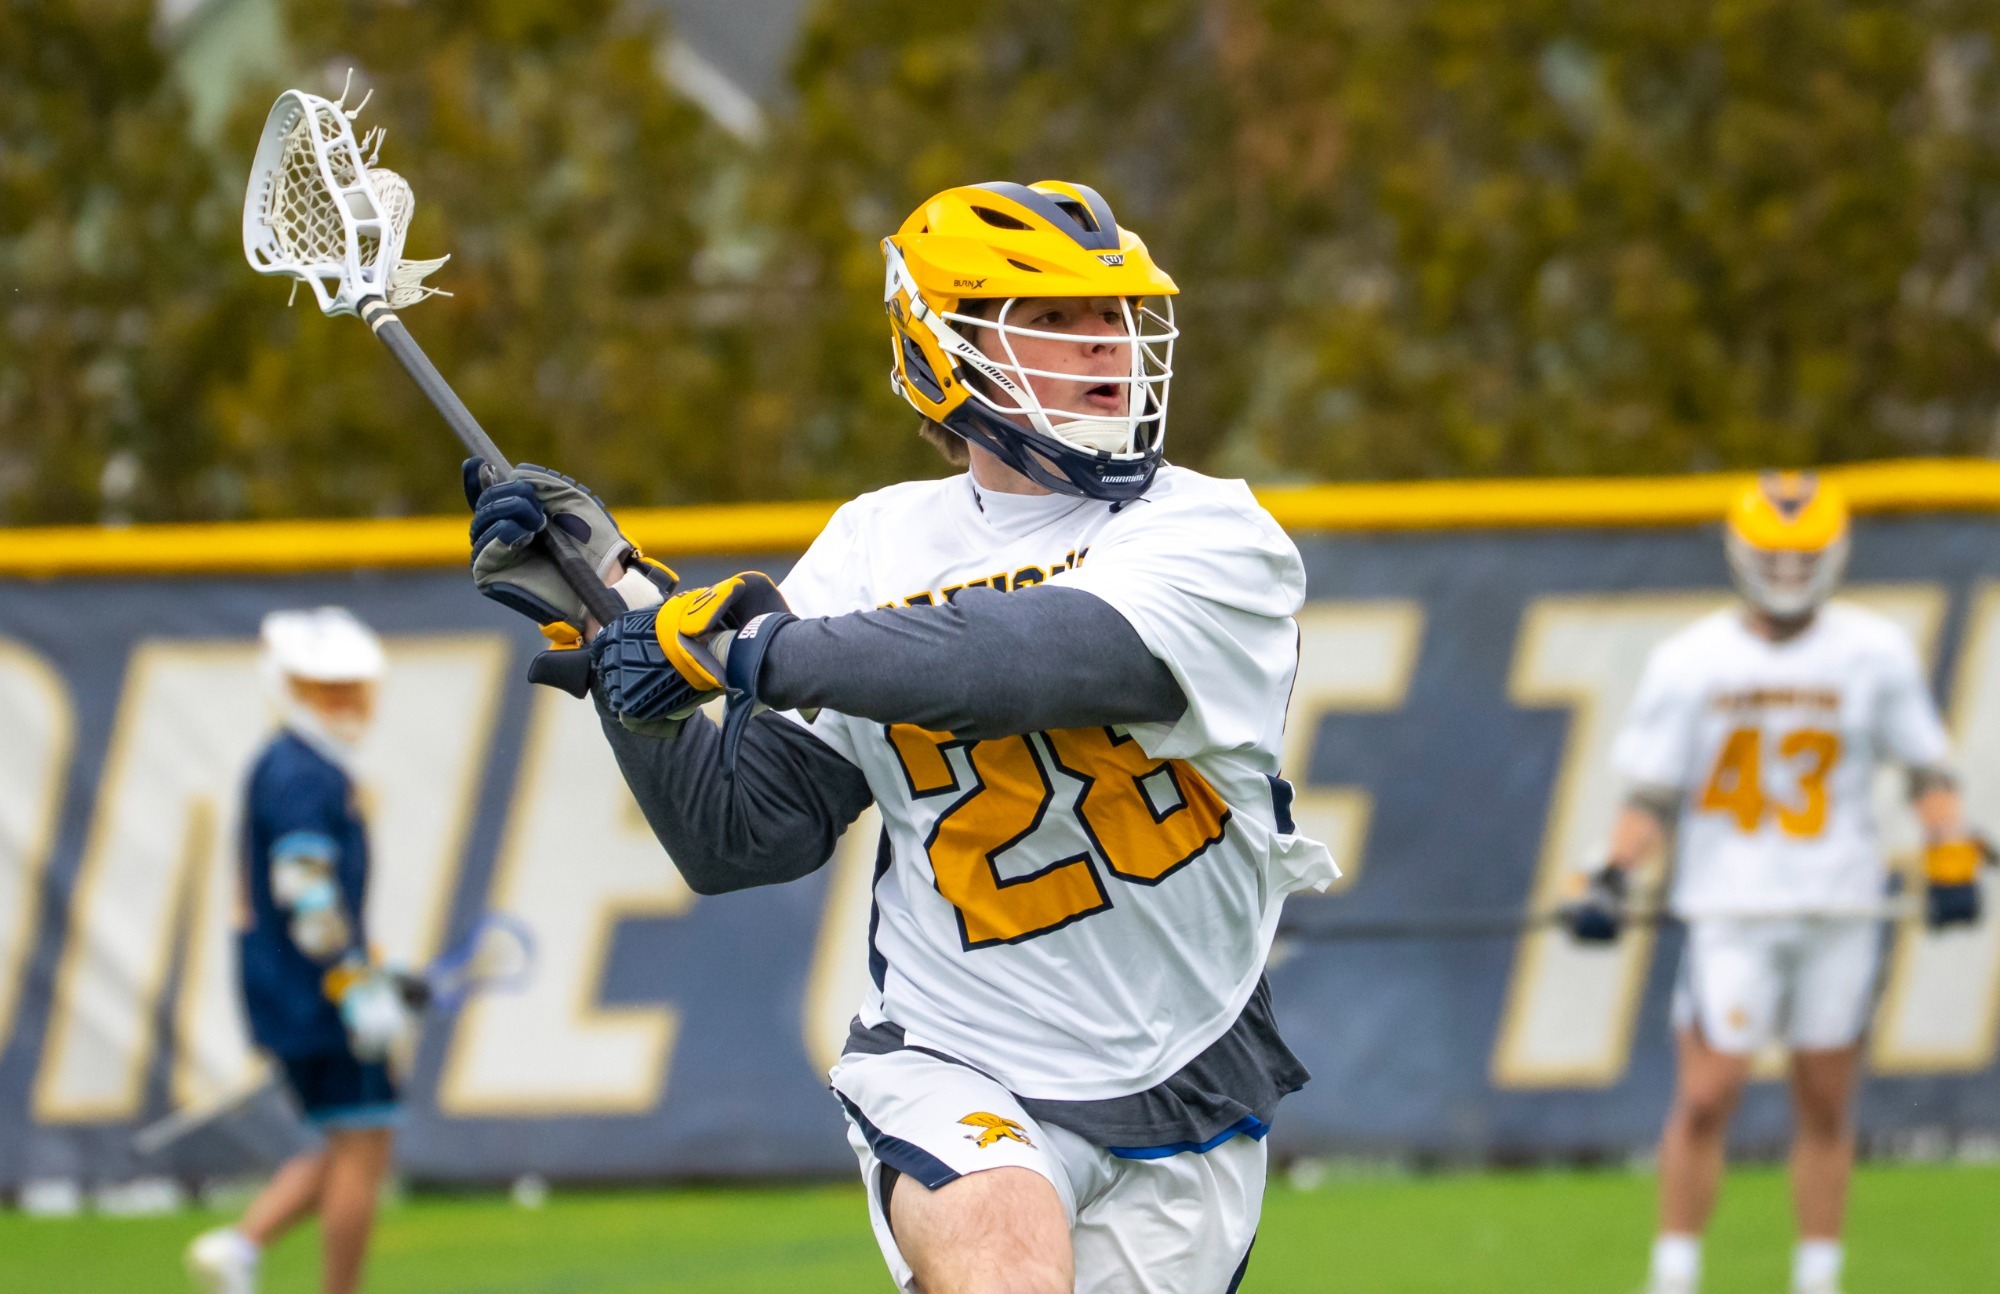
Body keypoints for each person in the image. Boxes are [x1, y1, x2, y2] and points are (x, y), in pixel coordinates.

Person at [464, 180, 1336, 1293]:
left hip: (1185, 1054)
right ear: (945, 348)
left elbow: (1032, 662)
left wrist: (747, 650)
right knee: (1006, 1270)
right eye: (1053, 319)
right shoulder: (874, 541)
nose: (1105, 347)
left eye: (1111, 315)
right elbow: (742, 833)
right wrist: (615, 622)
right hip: (956, 1049)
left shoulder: (1213, 530)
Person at [1562, 473, 1990, 1294]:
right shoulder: (1691, 661)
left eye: (1805, 559)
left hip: (1840, 903)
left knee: (1826, 1100)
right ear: (1742, 554)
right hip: (1732, 907)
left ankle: (1817, 1276)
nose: (1790, 576)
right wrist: (1611, 875)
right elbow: (1651, 796)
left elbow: (1928, 770)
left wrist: (1947, 855)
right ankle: (1676, 1272)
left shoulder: (1875, 651)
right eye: (1775, 558)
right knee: (1706, 1094)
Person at [187, 608, 411, 1294]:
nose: (345, 702)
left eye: (353, 687)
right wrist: (353, 982)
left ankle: (240, 1246)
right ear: (290, 687)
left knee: (352, 1139)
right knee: (365, 1143)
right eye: (326, 688)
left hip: (298, 987)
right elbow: (305, 890)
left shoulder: (297, 765)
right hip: (312, 992)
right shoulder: (302, 771)